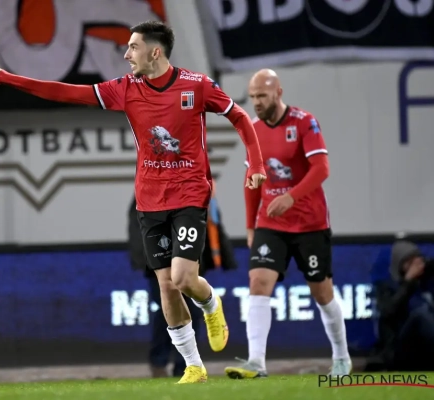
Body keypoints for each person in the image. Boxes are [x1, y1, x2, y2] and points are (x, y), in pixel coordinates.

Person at [0, 20, 266, 384]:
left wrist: (256, 164)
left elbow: (239, 116)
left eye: (133, 47)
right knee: (166, 286)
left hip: (189, 193)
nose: (127, 54)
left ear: (155, 52)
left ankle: (211, 303)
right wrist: (10, 79)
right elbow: (66, 92)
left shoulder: (197, 85)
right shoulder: (125, 89)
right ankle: (194, 365)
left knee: (183, 277)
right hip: (149, 200)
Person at [224, 69, 351, 379]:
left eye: (262, 96)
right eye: (252, 97)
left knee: (322, 292)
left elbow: (321, 168)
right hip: (271, 223)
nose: (256, 102)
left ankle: (342, 357)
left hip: (309, 223)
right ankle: (256, 362)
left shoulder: (304, 122)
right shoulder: (253, 131)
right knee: (258, 282)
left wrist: (291, 197)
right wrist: (251, 225)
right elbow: (252, 180)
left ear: (278, 92)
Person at [128, 182, 237, 378]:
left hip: (189, 256)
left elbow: (213, 225)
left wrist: (224, 256)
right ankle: (161, 362)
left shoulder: (196, 189)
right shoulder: (147, 189)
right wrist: (147, 260)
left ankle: (184, 365)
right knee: (166, 304)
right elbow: (138, 229)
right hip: (157, 263)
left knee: (191, 307)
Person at [371, 240, 434, 371]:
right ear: (400, 264)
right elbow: (388, 311)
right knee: (420, 315)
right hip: (399, 350)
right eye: (409, 262)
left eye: (417, 260)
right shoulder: (386, 287)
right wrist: (408, 281)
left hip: (425, 350)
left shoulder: (425, 283)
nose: (415, 266)